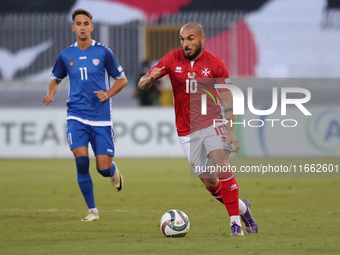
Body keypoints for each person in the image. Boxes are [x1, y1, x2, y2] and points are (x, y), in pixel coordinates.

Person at [138, 22, 258, 236]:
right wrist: (147, 80)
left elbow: (228, 96)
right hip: (186, 130)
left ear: (202, 39)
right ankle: (243, 208)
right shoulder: (171, 60)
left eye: (190, 38)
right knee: (211, 184)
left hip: (212, 123)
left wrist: (230, 130)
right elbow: (144, 83)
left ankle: (235, 225)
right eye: (182, 39)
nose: (185, 43)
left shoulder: (215, 63)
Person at [43, 9, 127, 221]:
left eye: (85, 23)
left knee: (102, 168)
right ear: (73, 28)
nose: (82, 27)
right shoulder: (66, 55)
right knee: (81, 161)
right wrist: (50, 93)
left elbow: (122, 79)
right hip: (76, 115)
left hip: (101, 118)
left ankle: (113, 171)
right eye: (78, 23)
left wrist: (107, 93)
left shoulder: (103, 52)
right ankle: (92, 211)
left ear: (91, 27)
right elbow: (55, 79)